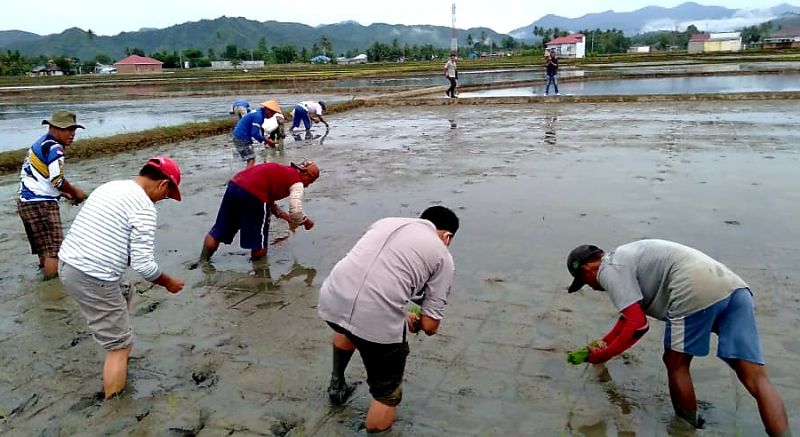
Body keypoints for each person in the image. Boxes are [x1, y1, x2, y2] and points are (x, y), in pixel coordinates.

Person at [565, 239, 790, 436]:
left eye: (585, 282)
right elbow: (627, 319)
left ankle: (686, 428)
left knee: (676, 363)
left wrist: (602, 355)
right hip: (733, 286)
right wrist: (599, 348)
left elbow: (638, 326)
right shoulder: (626, 258)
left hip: (692, 287)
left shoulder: (608, 270)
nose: (593, 288)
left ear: (587, 268)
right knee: (756, 377)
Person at [318, 206, 459, 433]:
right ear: (447, 236)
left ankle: (337, 385)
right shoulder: (443, 255)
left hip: (332, 299)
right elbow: (431, 326)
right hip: (373, 318)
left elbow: (373, 277)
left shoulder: (386, 222)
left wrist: (402, 313)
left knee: (348, 328)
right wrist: (416, 319)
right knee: (387, 394)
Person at [58, 157, 185, 399]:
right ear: (163, 185)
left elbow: (108, 235)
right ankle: (113, 406)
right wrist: (169, 283)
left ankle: (115, 337)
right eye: (168, 195)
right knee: (120, 345)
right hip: (92, 276)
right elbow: (144, 267)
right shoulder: (144, 207)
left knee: (126, 290)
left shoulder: (111, 186)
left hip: (69, 264)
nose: (163, 200)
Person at [199, 160, 319, 262]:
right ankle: (260, 281)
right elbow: (296, 212)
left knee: (218, 231)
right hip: (254, 195)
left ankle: (202, 263)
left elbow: (269, 201)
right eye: (310, 182)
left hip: (235, 185)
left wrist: (286, 218)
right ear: (307, 175)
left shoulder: (282, 171)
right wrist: (306, 222)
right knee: (259, 244)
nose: (307, 186)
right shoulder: (297, 182)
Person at [17, 110, 87, 279]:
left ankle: (44, 281)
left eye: (74, 130)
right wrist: (75, 192)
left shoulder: (40, 144)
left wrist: (64, 194)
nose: (72, 134)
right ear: (53, 128)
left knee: (43, 249)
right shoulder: (56, 148)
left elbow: (42, 178)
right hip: (41, 204)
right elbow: (57, 180)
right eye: (68, 130)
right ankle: (52, 293)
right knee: (53, 252)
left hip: (26, 202)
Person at [231, 100, 282, 168]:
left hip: (241, 136)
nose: (272, 115)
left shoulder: (259, 112)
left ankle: (247, 175)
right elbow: (255, 133)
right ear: (268, 111)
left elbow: (257, 130)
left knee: (251, 158)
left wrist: (264, 138)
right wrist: (267, 141)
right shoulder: (259, 116)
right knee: (251, 159)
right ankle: (247, 177)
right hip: (241, 138)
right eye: (273, 113)